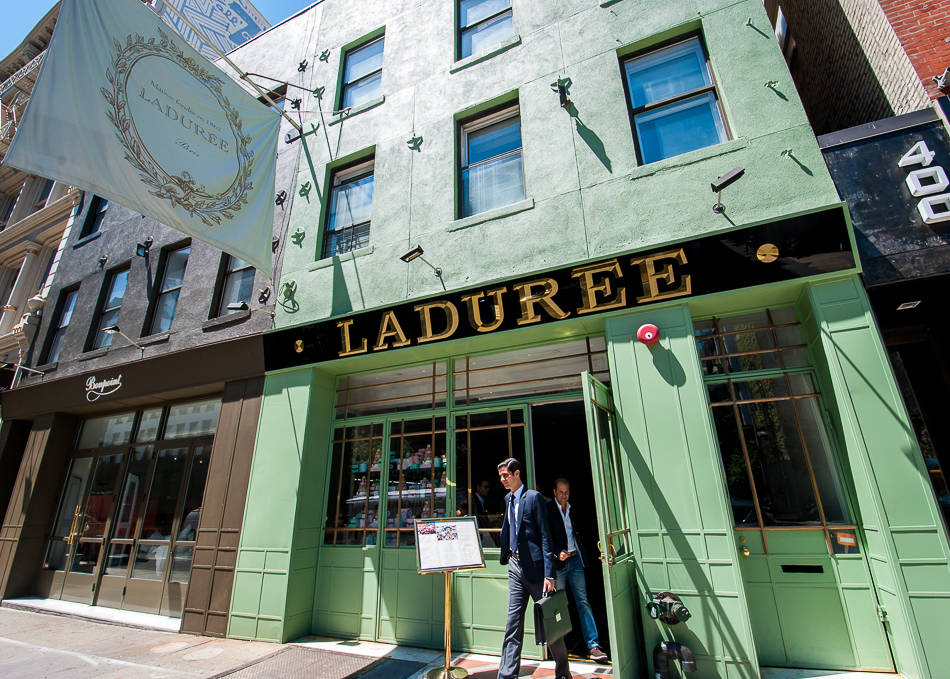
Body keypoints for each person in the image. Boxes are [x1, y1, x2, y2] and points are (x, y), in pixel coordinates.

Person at [497, 458, 572, 679]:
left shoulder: (534, 498)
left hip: (538, 572)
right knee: (513, 622)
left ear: (517, 473)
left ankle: (563, 671)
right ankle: (507, 675)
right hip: (515, 566)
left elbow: (546, 537)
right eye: (500, 476)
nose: (502, 480)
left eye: (506, 475)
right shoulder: (507, 499)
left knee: (550, 624)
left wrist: (549, 574)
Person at [548, 478, 608, 663]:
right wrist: (558, 553)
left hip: (575, 561)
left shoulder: (574, 509)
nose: (564, 495)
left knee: (583, 601)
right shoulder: (549, 511)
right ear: (554, 492)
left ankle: (593, 645)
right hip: (561, 564)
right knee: (560, 604)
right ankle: (559, 647)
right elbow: (546, 537)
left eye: (567, 492)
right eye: (561, 492)